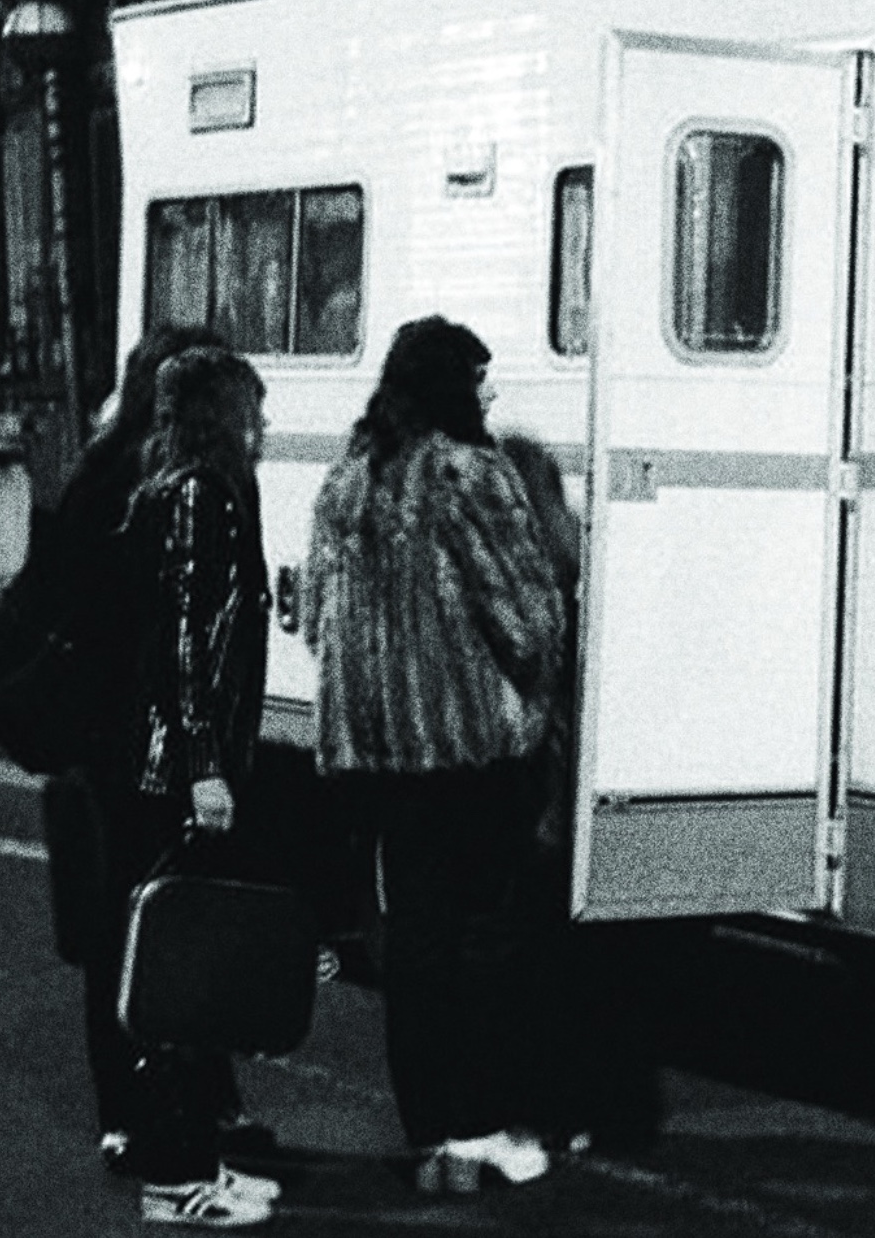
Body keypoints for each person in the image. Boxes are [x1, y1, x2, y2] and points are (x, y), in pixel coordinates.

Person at [0, 324, 277, 1181]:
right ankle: (189, 1106)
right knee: (178, 920)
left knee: (126, 926)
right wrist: (206, 755)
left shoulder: (107, 473)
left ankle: (136, 1108)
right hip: (149, 740)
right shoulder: (183, 484)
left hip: (96, 737)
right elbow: (179, 632)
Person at [303, 316, 568, 1193]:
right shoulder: (469, 474)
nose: (491, 395)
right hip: (469, 750)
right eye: (481, 378)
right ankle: (482, 1121)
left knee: (412, 939)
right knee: (485, 934)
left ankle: (430, 1131)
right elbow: (525, 617)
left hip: (379, 758)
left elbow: (320, 625)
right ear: (454, 384)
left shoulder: (346, 482)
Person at [110, 346, 280, 1227]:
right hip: (178, 770)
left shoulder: (174, 491)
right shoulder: (197, 498)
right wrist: (203, 763)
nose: (265, 423)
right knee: (183, 979)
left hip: (170, 763)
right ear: (224, 414)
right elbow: (182, 642)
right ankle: (179, 1179)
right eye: (255, 406)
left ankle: (196, 1160)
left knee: (189, 970)